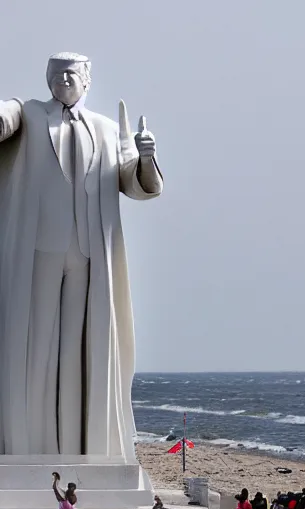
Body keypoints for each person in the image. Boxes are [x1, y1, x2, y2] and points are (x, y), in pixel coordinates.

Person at [0, 52, 163, 456]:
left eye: (71, 74)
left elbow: (135, 182)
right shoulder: (29, 114)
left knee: (80, 353)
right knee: (35, 349)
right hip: (40, 248)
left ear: (87, 79)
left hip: (89, 251)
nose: (64, 80)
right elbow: (5, 121)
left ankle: (80, 447)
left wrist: (145, 156)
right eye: (56, 74)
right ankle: (29, 447)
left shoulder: (108, 130)